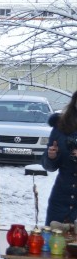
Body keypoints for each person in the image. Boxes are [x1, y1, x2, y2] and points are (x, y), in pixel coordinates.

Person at [42, 90, 77, 226]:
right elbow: (48, 166)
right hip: (61, 199)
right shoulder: (61, 126)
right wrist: (51, 156)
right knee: (54, 243)